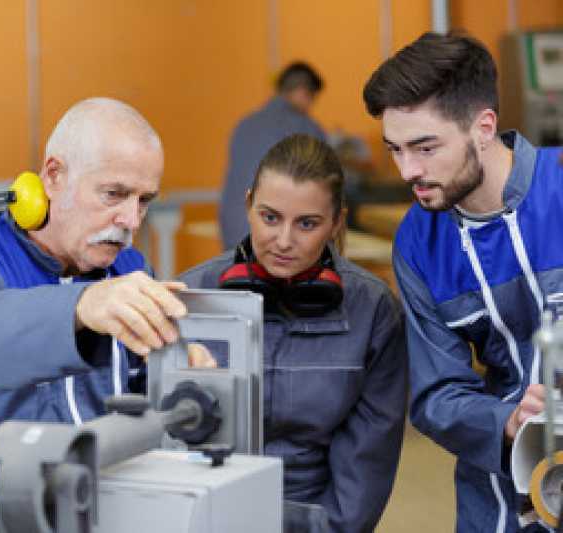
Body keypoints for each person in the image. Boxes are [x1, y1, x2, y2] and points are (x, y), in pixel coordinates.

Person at [0, 97, 214, 526]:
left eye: (143, 200)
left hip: (88, 504)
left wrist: (181, 364)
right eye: (114, 194)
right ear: (54, 176)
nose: (130, 219)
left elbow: (142, 389)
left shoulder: (127, 269)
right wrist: (82, 306)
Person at [363, 32, 557, 532]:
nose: (409, 170)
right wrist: (510, 422)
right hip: (500, 493)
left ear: (484, 127)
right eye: (395, 150)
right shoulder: (418, 242)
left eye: (425, 148)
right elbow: (436, 393)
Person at [180, 134, 407, 533]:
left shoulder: (372, 312)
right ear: (248, 204)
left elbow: (365, 471)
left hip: (314, 520)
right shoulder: (189, 297)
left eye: (307, 223)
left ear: (337, 222)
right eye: (270, 217)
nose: (284, 241)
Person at [219, 62, 327, 249]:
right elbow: (325, 184)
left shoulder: (245, 124)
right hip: (276, 242)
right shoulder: (305, 127)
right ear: (303, 92)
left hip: (233, 237)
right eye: (312, 99)